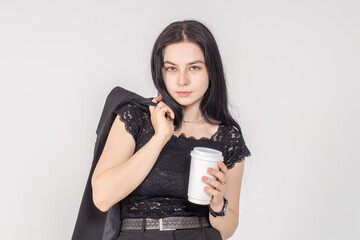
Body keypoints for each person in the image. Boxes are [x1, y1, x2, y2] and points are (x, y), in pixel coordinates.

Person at [91, 19, 251, 240]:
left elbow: (227, 229)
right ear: (161, 71)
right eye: (171, 68)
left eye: (194, 67)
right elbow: (102, 197)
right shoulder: (135, 117)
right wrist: (160, 138)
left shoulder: (228, 138)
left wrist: (218, 203)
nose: (182, 80)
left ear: (211, 70)